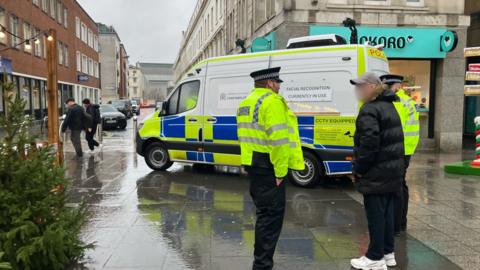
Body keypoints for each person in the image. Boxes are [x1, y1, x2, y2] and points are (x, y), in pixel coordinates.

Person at [236, 67, 304, 270]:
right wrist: (281, 172)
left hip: (254, 164)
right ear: (269, 83)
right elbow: (279, 141)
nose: (279, 86)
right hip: (269, 167)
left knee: (263, 214)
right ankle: (262, 265)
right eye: (278, 83)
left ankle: (261, 263)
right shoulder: (272, 102)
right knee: (270, 219)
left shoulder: (246, 102)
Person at [350, 72, 404, 270]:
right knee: (387, 213)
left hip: (376, 171)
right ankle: (387, 253)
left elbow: (369, 144)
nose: (358, 91)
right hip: (390, 170)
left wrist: (360, 170)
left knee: (376, 215)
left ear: (372, 87)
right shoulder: (388, 105)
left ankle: (374, 257)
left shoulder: (370, 110)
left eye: (361, 86)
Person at [380, 74, 420, 235]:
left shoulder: (396, 102)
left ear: (394, 87)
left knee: (395, 187)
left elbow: (390, 129)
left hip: (397, 150)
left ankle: (395, 225)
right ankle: (400, 223)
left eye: (385, 87)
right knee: (400, 185)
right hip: (405, 150)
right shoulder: (407, 101)